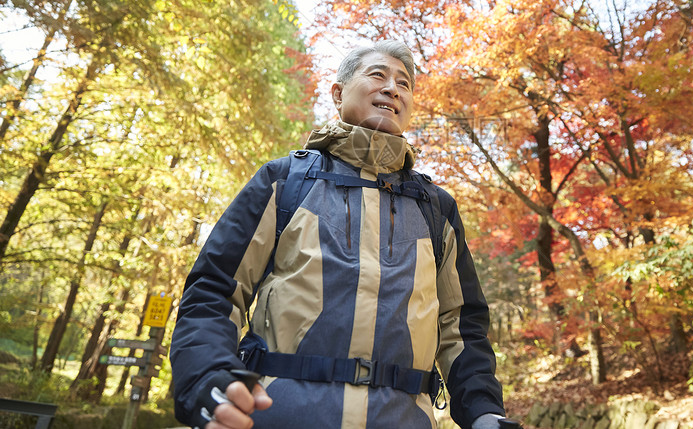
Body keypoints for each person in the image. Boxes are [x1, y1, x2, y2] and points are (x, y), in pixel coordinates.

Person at [170, 40, 512, 428]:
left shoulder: (437, 209)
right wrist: (206, 378)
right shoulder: (284, 182)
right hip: (278, 416)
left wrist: (484, 411)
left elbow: (461, 327)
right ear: (338, 93)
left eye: (404, 83)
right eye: (378, 74)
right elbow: (213, 291)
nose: (392, 88)